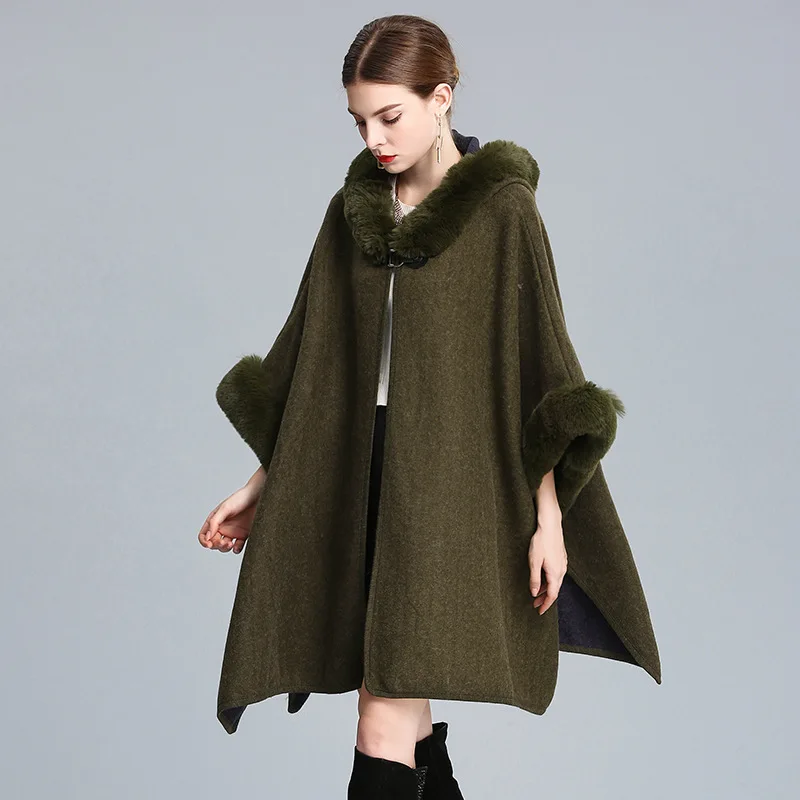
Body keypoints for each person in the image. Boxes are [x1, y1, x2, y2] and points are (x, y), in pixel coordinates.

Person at [198, 13, 660, 800]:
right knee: (402, 719)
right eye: (359, 121)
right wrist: (261, 483)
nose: (374, 138)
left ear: (440, 98)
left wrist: (550, 519)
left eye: (390, 115)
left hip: (453, 490)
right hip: (355, 479)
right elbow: (318, 368)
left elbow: (540, 374)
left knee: (382, 715)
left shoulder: (502, 212)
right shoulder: (352, 214)